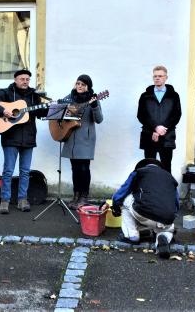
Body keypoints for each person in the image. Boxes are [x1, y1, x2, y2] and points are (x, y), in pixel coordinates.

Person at [0, 69, 48, 214]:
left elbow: (40, 113)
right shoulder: (6, 93)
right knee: (8, 171)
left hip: (29, 138)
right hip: (10, 138)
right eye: (22, 79)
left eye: (27, 79)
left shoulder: (34, 97)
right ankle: (5, 200)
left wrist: (50, 108)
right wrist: (2, 111)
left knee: (25, 171)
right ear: (15, 79)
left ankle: (22, 200)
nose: (25, 81)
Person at [111, 158, 179, 259]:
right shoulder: (170, 178)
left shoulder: (139, 172)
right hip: (167, 218)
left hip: (144, 213)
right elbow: (176, 203)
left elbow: (123, 191)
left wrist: (115, 205)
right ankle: (162, 237)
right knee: (167, 230)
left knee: (126, 199)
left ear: (143, 166)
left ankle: (132, 235)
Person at [61, 74, 103, 209]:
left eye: (83, 85)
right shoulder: (69, 98)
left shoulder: (93, 99)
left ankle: (84, 197)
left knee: (84, 168)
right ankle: (76, 195)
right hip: (71, 137)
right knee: (75, 169)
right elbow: (60, 113)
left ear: (88, 87)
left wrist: (95, 105)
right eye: (78, 83)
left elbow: (99, 119)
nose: (79, 86)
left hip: (86, 139)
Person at [137, 65, 181, 173]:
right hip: (149, 135)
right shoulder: (145, 96)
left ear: (166, 77)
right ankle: (150, 190)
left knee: (166, 167)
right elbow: (141, 115)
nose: (157, 78)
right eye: (155, 76)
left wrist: (162, 129)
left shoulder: (174, 96)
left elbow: (176, 115)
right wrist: (155, 128)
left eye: (160, 76)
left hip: (167, 136)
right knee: (149, 167)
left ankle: (166, 190)